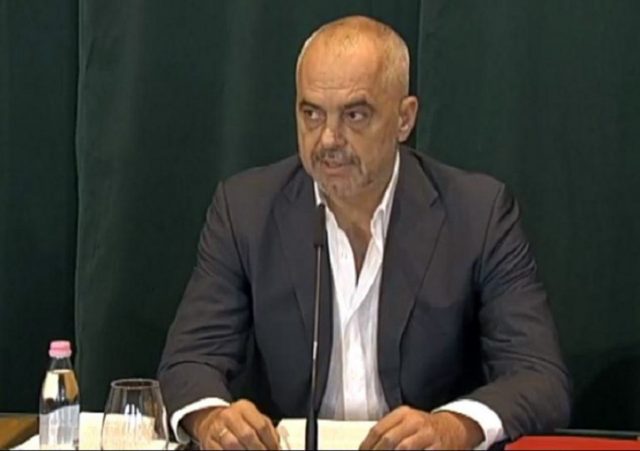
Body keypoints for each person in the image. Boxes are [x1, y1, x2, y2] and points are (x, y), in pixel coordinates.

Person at [158, 15, 571, 450]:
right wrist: (213, 420)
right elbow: (189, 361)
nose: (328, 139)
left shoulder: (477, 214)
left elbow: (538, 377)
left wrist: (452, 428)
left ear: (404, 119)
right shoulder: (246, 210)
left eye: (355, 115)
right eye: (312, 114)